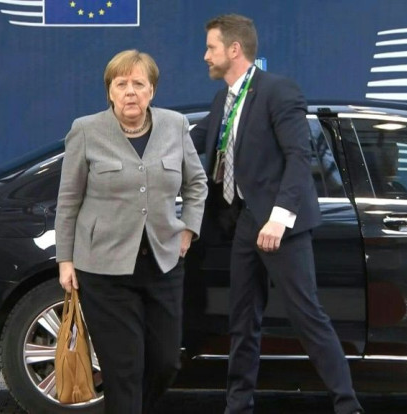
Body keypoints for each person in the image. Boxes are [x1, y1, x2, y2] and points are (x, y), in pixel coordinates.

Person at [190, 14, 364, 414]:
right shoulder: (222, 100)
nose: (205, 57)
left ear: (234, 50)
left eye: (211, 48)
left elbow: (299, 157)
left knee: (308, 317)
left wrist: (279, 218)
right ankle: (238, 407)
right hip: (241, 224)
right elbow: (188, 143)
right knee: (242, 322)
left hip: (279, 226)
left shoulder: (277, 91)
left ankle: (348, 405)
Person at [55, 49, 207, 413]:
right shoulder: (86, 130)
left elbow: (197, 183)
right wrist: (66, 260)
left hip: (163, 263)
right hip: (103, 268)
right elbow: (68, 199)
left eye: (139, 84)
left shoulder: (175, 125)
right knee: (124, 368)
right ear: (109, 91)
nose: (130, 92)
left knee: (166, 361)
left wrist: (189, 230)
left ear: (152, 91)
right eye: (121, 84)